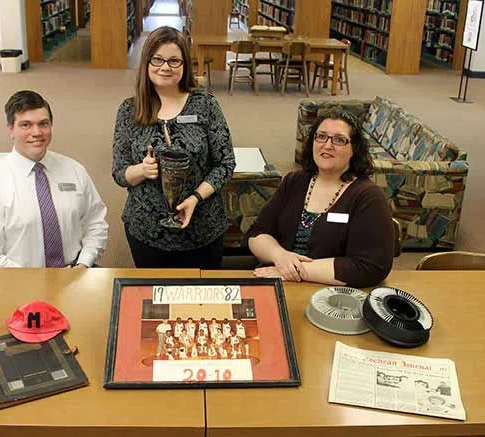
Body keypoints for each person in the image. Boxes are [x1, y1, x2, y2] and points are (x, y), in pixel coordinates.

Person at [112, 26, 236, 268]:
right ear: (146, 63)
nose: (165, 67)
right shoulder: (129, 110)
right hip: (146, 230)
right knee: (155, 300)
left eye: (173, 60)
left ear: (184, 65)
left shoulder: (205, 104)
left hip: (203, 229)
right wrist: (140, 171)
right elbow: (119, 172)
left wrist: (196, 197)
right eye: (157, 59)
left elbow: (225, 163)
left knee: (202, 301)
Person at [247, 109, 393, 288]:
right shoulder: (295, 181)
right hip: (274, 279)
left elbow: (370, 266)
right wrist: (280, 256)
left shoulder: (368, 197)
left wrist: (296, 270)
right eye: (321, 136)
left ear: (354, 149)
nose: (327, 145)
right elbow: (257, 233)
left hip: (330, 293)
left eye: (339, 140)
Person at [0, 90, 109, 268]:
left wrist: (84, 263)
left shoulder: (74, 170)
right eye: (26, 125)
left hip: (77, 272)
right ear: (10, 129)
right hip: (19, 282)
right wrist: (35, 282)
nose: (37, 132)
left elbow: (96, 223)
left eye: (43, 124)